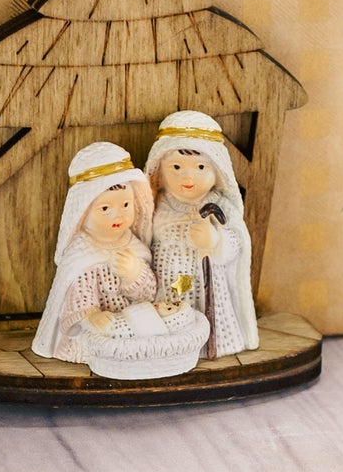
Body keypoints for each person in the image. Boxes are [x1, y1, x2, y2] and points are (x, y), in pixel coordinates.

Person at [144, 110, 258, 357]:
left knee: (203, 314)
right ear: (159, 172)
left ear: (217, 171)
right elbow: (144, 238)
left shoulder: (218, 204)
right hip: (168, 284)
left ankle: (210, 344)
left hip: (206, 285)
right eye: (175, 167)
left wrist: (215, 241)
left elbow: (237, 242)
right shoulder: (157, 204)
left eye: (200, 167)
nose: (187, 176)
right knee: (170, 319)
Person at [31, 141, 158, 363]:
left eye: (126, 205)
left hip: (131, 328)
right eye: (105, 209)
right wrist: (91, 317)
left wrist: (134, 273)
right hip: (96, 334)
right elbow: (78, 296)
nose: (118, 215)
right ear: (82, 213)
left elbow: (148, 293)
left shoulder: (135, 246)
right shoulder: (81, 254)